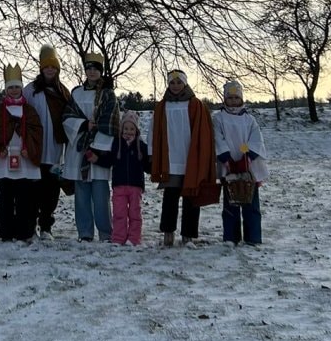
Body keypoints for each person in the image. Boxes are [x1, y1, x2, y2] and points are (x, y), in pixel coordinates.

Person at [149, 67, 219, 245]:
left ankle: (188, 233)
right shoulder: (162, 106)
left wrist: (203, 156)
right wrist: (152, 153)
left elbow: (204, 132)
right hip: (171, 160)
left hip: (190, 159)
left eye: (179, 82)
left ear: (185, 83)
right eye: (172, 82)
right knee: (170, 197)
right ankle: (168, 232)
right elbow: (153, 131)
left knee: (191, 196)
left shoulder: (195, 105)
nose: (175, 86)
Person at [63, 52, 119, 242]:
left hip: (99, 150)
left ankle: (105, 232)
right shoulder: (76, 93)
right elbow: (67, 117)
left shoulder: (107, 94)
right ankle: (85, 232)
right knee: (81, 194)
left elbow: (111, 122)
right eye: (89, 68)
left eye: (96, 68)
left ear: (101, 71)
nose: (92, 72)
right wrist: (83, 125)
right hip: (79, 149)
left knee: (101, 195)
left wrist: (96, 146)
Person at [0, 64, 44, 242]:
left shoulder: (29, 110)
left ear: (21, 88)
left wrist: (30, 149)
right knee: (6, 197)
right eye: (10, 87)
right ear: (6, 90)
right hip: (5, 158)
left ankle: (24, 232)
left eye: (17, 87)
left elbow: (37, 132)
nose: (14, 90)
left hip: (24, 158)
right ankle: (6, 232)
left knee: (24, 197)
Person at [23, 44, 72, 240]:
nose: (50, 70)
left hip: (54, 150)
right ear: (41, 68)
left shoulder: (63, 92)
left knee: (51, 192)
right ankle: (30, 228)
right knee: (32, 191)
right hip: (35, 150)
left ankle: (46, 227)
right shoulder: (30, 91)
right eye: (46, 67)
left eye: (53, 67)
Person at [212, 78, 268, 245]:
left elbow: (256, 139)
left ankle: (253, 237)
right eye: (230, 98)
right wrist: (226, 159)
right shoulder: (219, 118)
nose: (233, 101)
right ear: (225, 99)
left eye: (236, 98)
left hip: (249, 167)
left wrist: (248, 157)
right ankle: (231, 237)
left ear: (242, 98)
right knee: (231, 204)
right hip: (228, 166)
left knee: (251, 203)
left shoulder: (249, 120)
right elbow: (217, 138)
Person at [110, 110, 150, 245]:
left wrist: (154, 168)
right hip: (119, 184)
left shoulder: (141, 146)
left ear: (136, 130)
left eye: (132, 129)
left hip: (135, 185)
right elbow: (109, 159)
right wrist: (96, 158)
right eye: (126, 128)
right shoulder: (116, 144)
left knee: (135, 213)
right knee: (119, 213)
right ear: (121, 129)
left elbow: (147, 164)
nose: (128, 132)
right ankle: (118, 237)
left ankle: (134, 238)